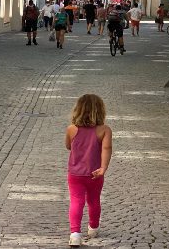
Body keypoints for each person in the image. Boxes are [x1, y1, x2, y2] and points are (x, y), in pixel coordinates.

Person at [65, 94, 112, 247]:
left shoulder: (71, 129)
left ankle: (75, 234)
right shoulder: (104, 130)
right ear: (100, 111)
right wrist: (103, 168)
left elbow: (68, 146)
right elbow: (107, 148)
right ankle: (93, 227)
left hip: (75, 173)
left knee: (76, 201)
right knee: (94, 200)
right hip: (95, 173)